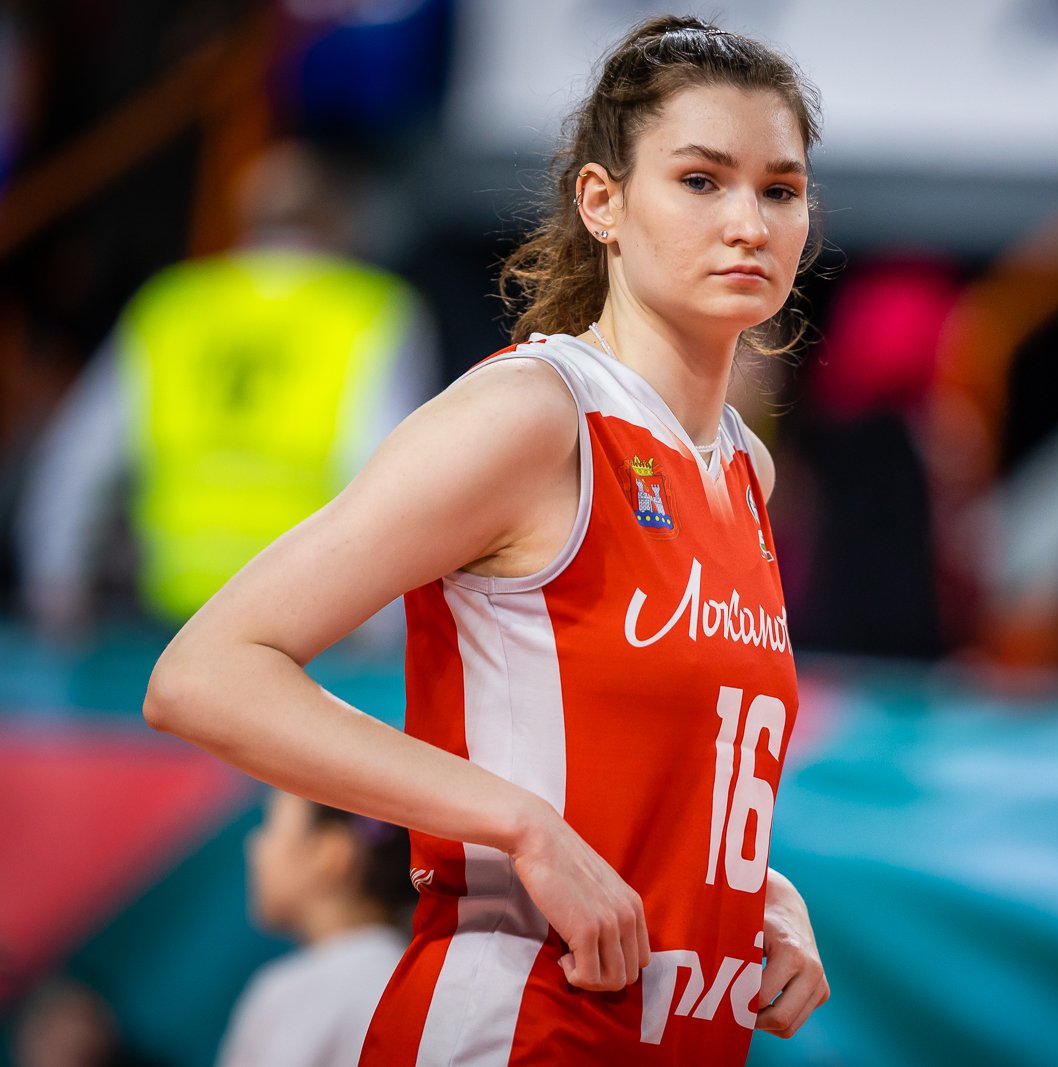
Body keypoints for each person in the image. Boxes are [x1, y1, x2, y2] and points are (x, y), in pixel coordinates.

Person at [143, 14, 829, 1066]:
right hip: (507, 1034)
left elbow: (640, 779)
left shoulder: (745, 468)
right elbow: (204, 675)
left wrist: (748, 893)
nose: (748, 221)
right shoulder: (535, 414)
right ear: (602, 202)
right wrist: (517, 825)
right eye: (701, 180)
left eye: (779, 189)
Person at [14, 139, 436, 639]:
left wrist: (57, 589)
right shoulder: (373, 309)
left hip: (176, 614)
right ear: (338, 216)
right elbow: (382, 466)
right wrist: (385, 628)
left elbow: (80, 459)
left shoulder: (174, 305)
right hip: (312, 617)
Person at [215, 790, 413, 1067]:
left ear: (328, 855)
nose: (254, 844)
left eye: (271, 826)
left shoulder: (286, 993)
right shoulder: (410, 980)